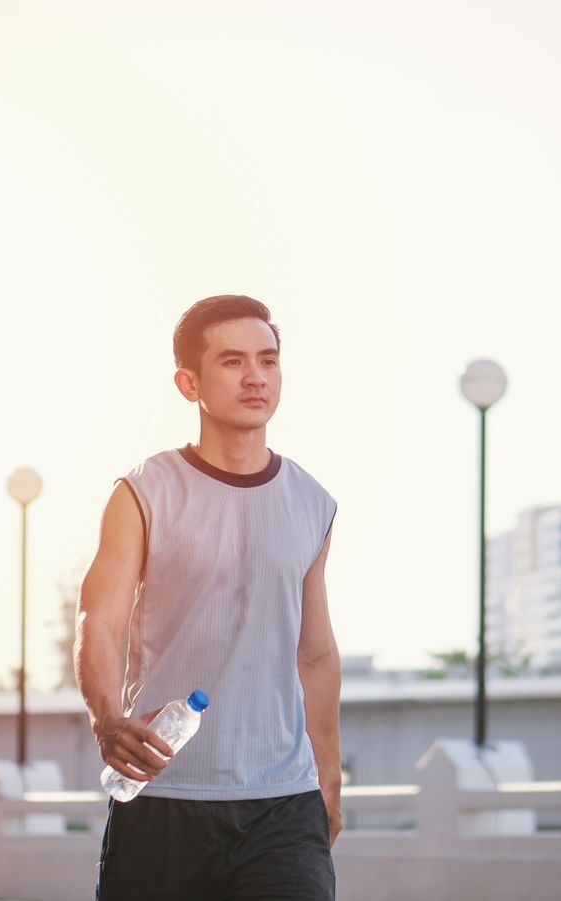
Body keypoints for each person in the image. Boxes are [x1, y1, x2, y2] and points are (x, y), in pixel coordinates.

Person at [75, 295, 341, 901]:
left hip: (283, 804)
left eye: (268, 361)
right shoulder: (143, 493)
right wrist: (106, 718)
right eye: (232, 361)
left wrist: (328, 773)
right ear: (188, 382)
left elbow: (316, 654)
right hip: (166, 797)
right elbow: (100, 616)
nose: (255, 376)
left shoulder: (312, 502)